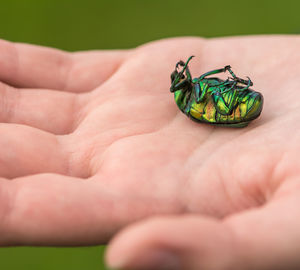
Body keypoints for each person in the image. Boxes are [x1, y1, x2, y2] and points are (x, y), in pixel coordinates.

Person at [0, 35, 299, 270]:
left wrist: (222, 84)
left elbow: (212, 83)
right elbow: (211, 90)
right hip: (237, 105)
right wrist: (226, 87)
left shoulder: (195, 94)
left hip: (238, 104)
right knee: (217, 93)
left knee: (217, 91)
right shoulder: (194, 100)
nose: (186, 80)